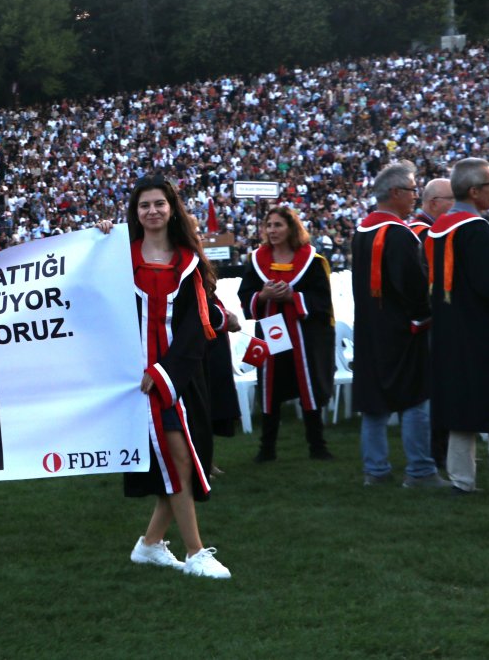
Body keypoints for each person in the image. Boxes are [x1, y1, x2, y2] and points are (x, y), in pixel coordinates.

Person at [99, 175, 231, 579]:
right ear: (135, 213)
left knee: (183, 464)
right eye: (144, 205)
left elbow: (198, 320)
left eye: (159, 203)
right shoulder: (118, 257)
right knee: (178, 460)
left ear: (172, 208)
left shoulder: (188, 260)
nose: (152, 211)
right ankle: (195, 553)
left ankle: (151, 544)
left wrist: (164, 371)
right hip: (135, 381)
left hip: (177, 376)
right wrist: (99, 239)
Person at [351, 162, 447, 488]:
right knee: (416, 400)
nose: (414, 196)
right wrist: (426, 316)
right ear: (395, 193)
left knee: (374, 403)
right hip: (403, 330)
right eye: (411, 190)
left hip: (369, 329)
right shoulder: (398, 234)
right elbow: (413, 287)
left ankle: (375, 470)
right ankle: (420, 470)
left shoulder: (362, 231)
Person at [238, 206, 335, 462]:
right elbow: (244, 294)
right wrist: (263, 296)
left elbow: (322, 300)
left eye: (278, 225)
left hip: (304, 334)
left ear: (291, 228)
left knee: (308, 385)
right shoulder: (256, 260)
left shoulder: (312, 261)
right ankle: (266, 448)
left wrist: (295, 297)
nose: (272, 230)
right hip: (271, 329)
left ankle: (318, 446)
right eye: (269, 225)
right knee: (271, 386)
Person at [425, 158, 489, 494]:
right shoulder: (476, 230)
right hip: (479, 330)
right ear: (476, 191)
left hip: (449, 328)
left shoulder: (439, 227)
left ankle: (461, 479)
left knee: (460, 403)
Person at [409, 177, 453, 466]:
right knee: (438, 388)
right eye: (452, 199)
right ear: (434, 202)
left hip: (424, 322)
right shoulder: (426, 233)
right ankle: (436, 452)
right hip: (432, 322)